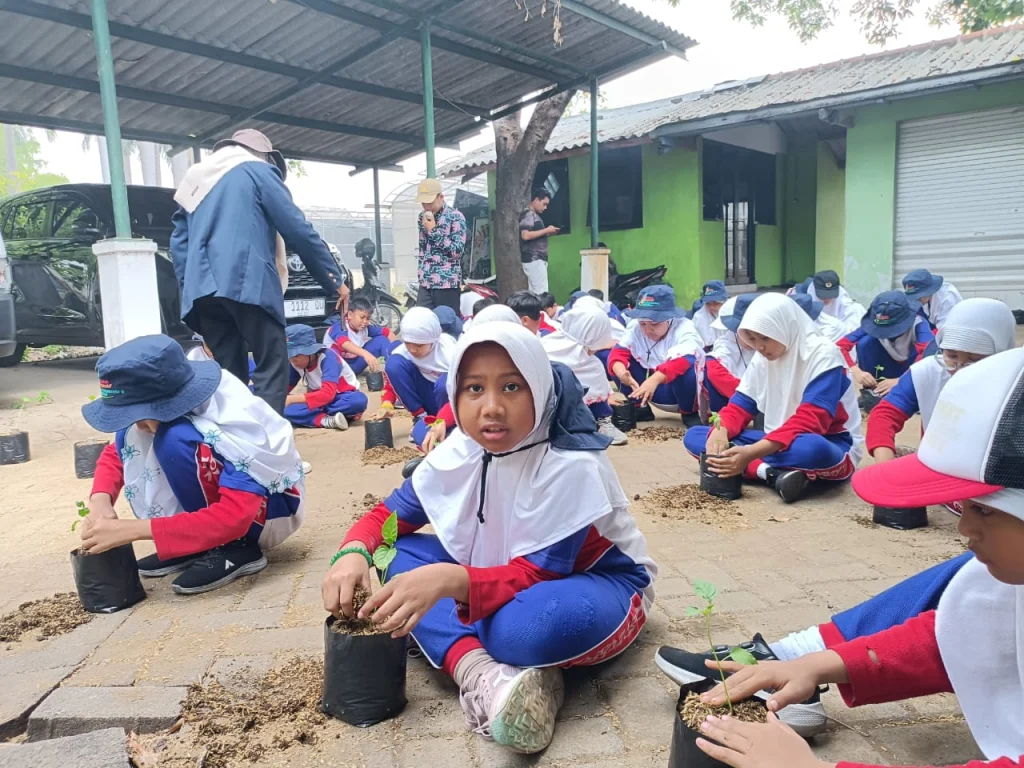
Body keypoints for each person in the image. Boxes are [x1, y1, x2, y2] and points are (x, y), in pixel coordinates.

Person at [679, 348, 1024, 768]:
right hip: (775, 446)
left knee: (813, 449)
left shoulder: (821, 357)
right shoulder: (1006, 585)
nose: (963, 529)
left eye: (983, 509)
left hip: (808, 446)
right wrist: (819, 664)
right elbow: (964, 637)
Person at [321, 323, 656, 754]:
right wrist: (351, 552)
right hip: (496, 574)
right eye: (474, 388)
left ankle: (477, 641)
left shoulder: (571, 464)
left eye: (512, 386)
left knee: (521, 631)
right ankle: (482, 673)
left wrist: (451, 582)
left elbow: (539, 574)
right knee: (391, 554)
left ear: (539, 388)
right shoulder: (458, 452)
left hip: (595, 584)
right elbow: (387, 519)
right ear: (456, 396)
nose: (492, 407)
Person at [78, 335, 304, 594]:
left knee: (174, 439)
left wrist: (132, 530)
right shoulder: (164, 418)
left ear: (171, 402)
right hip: (222, 511)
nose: (138, 424)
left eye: (139, 414)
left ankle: (238, 548)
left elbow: (235, 516)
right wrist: (100, 502)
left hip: (265, 513)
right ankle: (192, 543)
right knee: (129, 435)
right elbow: (114, 454)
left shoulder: (236, 425)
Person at [171, 129, 348, 415]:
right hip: (246, 282)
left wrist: (192, 291)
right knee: (271, 364)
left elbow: (179, 245)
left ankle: (237, 448)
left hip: (202, 293)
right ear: (263, 156)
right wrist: (333, 278)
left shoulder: (195, 181)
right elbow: (297, 229)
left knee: (228, 375)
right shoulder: (257, 170)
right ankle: (269, 446)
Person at [684, 293, 864, 503]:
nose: (759, 347)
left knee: (813, 450)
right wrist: (720, 430)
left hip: (830, 443)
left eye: (765, 338)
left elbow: (810, 421)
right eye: (752, 339)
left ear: (784, 328)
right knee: (696, 436)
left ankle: (752, 467)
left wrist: (751, 453)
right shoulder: (763, 358)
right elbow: (739, 407)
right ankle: (771, 475)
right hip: (776, 440)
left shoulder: (823, 355)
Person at [867, 297, 1016, 463]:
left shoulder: (1015, 384)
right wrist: (885, 465)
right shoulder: (929, 372)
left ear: (1002, 353)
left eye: (975, 359)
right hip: (938, 464)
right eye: (951, 355)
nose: (960, 369)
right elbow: (884, 416)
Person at [605, 285, 705, 424]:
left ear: (670, 317)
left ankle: (689, 414)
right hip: (647, 391)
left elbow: (684, 360)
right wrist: (621, 373)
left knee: (687, 367)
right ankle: (640, 407)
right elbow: (618, 353)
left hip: (679, 393)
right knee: (614, 362)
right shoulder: (635, 326)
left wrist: (654, 380)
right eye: (643, 323)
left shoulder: (684, 327)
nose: (647, 329)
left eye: (654, 323)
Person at [542, 303, 628, 446]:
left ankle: (601, 421)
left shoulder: (591, 364)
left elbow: (599, 387)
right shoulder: (543, 350)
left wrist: (607, 397)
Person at [838, 290, 936, 400]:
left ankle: (911, 392)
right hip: (885, 366)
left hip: (909, 369)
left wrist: (901, 380)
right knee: (865, 343)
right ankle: (872, 393)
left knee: (927, 353)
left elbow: (930, 355)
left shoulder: (918, 323)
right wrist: (855, 370)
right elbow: (839, 347)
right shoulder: (872, 324)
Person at [380, 308, 455, 445]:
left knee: (445, 383)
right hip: (426, 399)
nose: (413, 350)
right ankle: (421, 417)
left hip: (451, 405)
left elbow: (464, 392)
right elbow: (394, 381)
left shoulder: (451, 353)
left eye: (419, 345)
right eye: (408, 343)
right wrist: (387, 403)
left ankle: (446, 426)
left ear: (433, 339)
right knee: (393, 364)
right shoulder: (402, 353)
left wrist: (443, 419)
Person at [284, 324, 367, 430]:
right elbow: (284, 389)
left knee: (358, 401)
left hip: (340, 398)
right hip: (317, 402)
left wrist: (291, 399)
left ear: (311, 352)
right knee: (279, 405)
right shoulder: (295, 364)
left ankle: (313, 416)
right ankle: (326, 420)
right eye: (289, 356)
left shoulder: (328, 358)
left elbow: (328, 394)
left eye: (296, 356)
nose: (293, 360)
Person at [416, 178, 467, 312]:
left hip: (446, 282)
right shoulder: (422, 217)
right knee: (423, 322)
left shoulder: (455, 217)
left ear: (441, 197)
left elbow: (457, 251)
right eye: (423, 203)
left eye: (430, 202)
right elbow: (424, 249)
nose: (426, 206)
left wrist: (433, 230)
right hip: (426, 281)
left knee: (447, 323)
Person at [703, 295, 756, 413]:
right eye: (745, 332)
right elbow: (714, 368)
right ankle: (720, 416)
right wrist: (746, 397)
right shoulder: (727, 342)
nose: (752, 339)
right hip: (739, 398)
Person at [323, 297, 395, 377]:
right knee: (331, 353)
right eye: (362, 317)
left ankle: (394, 371)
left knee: (381, 340)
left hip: (354, 366)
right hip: (336, 370)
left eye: (368, 318)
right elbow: (345, 343)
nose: (365, 322)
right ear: (350, 315)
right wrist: (366, 354)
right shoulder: (339, 327)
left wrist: (397, 354)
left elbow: (388, 333)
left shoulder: (365, 328)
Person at [790, 269, 865, 335]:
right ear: (813, 290)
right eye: (822, 295)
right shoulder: (802, 301)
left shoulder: (847, 305)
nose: (827, 298)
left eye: (830, 294)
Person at [519, 188, 559, 294]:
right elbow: (525, 235)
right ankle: (540, 310)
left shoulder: (533, 215)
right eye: (544, 204)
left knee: (536, 292)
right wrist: (546, 230)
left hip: (535, 259)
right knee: (541, 292)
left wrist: (547, 233)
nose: (545, 208)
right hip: (534, 258)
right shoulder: (528, 214)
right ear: (536, 200)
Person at [691, 281, 730, 349]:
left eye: (715, 303)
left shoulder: (731, 314)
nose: (711, 307)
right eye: (708, 303)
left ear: (724, 301)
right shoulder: (699, 317)